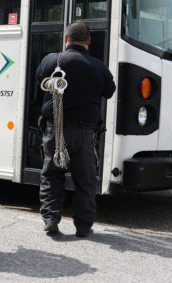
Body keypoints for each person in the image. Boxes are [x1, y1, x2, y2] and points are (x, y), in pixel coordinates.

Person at [36, 22, 116, 238]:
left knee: (52, 175)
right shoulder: (98, 66)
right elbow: (110, 91)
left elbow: (39, 82)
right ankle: (82, 226)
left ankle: (51, 220)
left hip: (55, 129)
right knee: (85, 179)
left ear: (66, 39)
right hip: (84, 133)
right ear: (88, 41)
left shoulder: (50, 60)